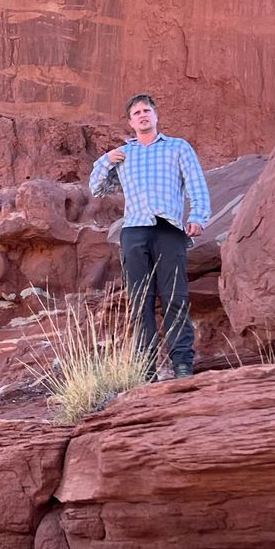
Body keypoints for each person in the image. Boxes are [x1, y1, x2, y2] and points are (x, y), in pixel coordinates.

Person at [87, 93, 212, 380]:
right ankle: (146, 369)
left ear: (155, 116)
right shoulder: (123, 154)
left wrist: (198, 217)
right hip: (134, 231)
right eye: (136, 113)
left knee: (175, 297)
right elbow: (97, 189)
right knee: (140, 300)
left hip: (169, 229)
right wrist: (105, 161)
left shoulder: (177, 147)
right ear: (130, 122)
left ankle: (182, 364)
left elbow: (196, 183)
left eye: (147, 111)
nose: (142, 115)